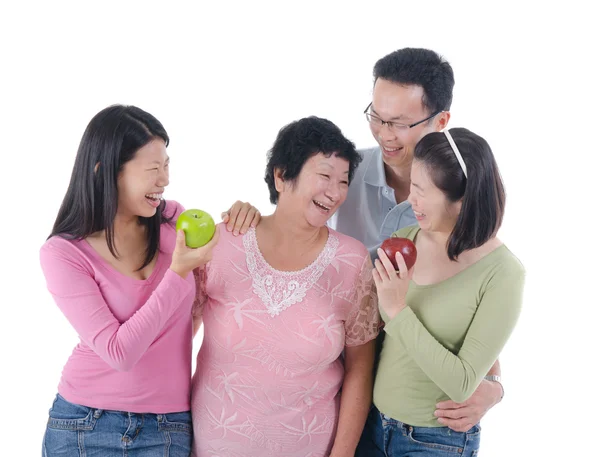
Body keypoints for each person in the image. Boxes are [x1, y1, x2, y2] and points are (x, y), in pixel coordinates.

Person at [229, 47, 505, 430]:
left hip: (416, 395)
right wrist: (249, 212)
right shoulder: (343, 175)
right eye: (376, 117)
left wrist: (492, 383)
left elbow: (479, 301)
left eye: (399, 123)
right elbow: (290, 222)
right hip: (335, 379)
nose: (384, 134)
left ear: (441, 120)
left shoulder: (458, 198)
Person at [39, 104, 258, 456]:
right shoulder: (64, 254)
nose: (165, 180)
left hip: (168, 425)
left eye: (167, 166)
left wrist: (245, 223)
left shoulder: (174, 223)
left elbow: (211, 295)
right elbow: (119, 352)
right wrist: (178, 274)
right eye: (153, 169)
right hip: (85, 426)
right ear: (105, 172)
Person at [190, 116, 380, 457]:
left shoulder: (351, 262)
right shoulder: (221, 243)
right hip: (212, 446)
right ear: (281, 176)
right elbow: (178, 337)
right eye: (324, 176)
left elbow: (360, 368)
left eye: (343, 181)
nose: (335, 193)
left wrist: (344, 453)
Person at [355, 127, 525, 455]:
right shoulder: (407, 237)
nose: (410, 200)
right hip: (374, 426)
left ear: (461, 200)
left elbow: (462, 382)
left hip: (434, 442)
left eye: (421, 190)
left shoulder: (503, 274)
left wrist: (397, 310)